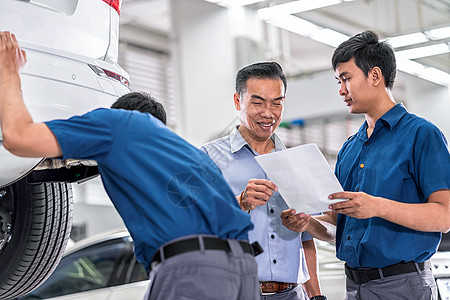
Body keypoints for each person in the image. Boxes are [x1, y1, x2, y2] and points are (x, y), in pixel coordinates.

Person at [0, 31, 260, 300]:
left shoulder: (116, 124)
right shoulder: (191, 155)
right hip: (244, 270)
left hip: (192, 270)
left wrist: (9, 70)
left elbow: (18, 138)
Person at [281, 30, 450, 300]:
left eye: (346, 78)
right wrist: (308, 224)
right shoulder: (350, 148)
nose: (341, 90)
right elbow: (338, 224)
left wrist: (376, 206)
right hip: (355, 286)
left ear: (374, 76)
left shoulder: (421, 135)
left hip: (404, 285)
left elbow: (444, 217)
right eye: (338, 81)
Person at [202, 62, 326, 300]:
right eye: (258, 102)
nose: (269, 113)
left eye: (277, 102)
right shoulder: (207, 158)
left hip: (292, 294)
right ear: (238, 101)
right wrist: (238, 202)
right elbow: (187, 219)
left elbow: (306, 240)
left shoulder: (297, 163)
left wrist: (316, 296)